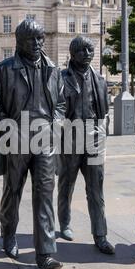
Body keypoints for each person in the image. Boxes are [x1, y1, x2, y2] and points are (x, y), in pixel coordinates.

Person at [0, 19, 66, 269]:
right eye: (31, 39)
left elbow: (61, 103)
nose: (36, 44)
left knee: (45, 193)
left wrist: (56, 121)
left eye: (40, 38)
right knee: (12, 191)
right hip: (15, 137)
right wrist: (7, 127)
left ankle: (45, 253)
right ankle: (8, 232)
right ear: (19, 42)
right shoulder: (3, 70)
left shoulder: (53, 69)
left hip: (45, 139)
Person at [57, 36, 115, 255]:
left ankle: (100, 235)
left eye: (90, 49)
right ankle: (64, 223)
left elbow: (104, 111)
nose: (87, 54)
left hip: (94, 138)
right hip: (70, 138)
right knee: (66, 184)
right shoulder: (61, 78)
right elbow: (58, 108)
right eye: (82, 50)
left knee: (96, 189)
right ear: (72, 54)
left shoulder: (99, 79)